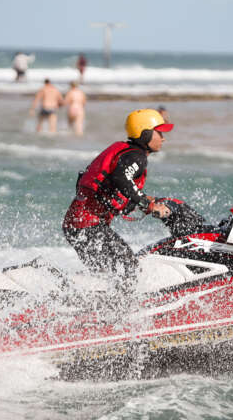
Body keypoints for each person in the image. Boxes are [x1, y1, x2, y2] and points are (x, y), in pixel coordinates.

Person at [62, 109, 174, 295]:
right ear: (145, 134)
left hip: (77, 225)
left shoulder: (126, 152)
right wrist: (148, 204)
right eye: (159, 133)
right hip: (88, 226)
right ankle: (120, 312)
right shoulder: (136, 157)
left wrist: (141, 200)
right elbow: (121, 178)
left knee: (104, 273)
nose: (163, 139)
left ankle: (91, 305)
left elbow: (118, 185)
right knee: (129, 267)